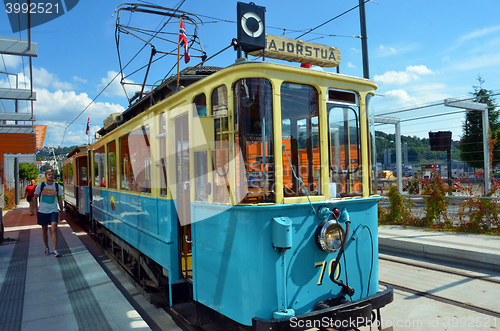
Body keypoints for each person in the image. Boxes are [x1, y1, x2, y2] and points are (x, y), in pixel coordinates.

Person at [33, 169, 64, 257]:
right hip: (43, 211)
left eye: (52, 175)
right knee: (44, 229)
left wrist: (61, 211)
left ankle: (54, 249)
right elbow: (35, 197)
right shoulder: (41, 185)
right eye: (49, 174)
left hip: (53, 210)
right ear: (46, 176)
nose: (51, 176)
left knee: (54, 227)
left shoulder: (57, 186)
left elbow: (60, 199)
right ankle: (46, 247)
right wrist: (35, 209)